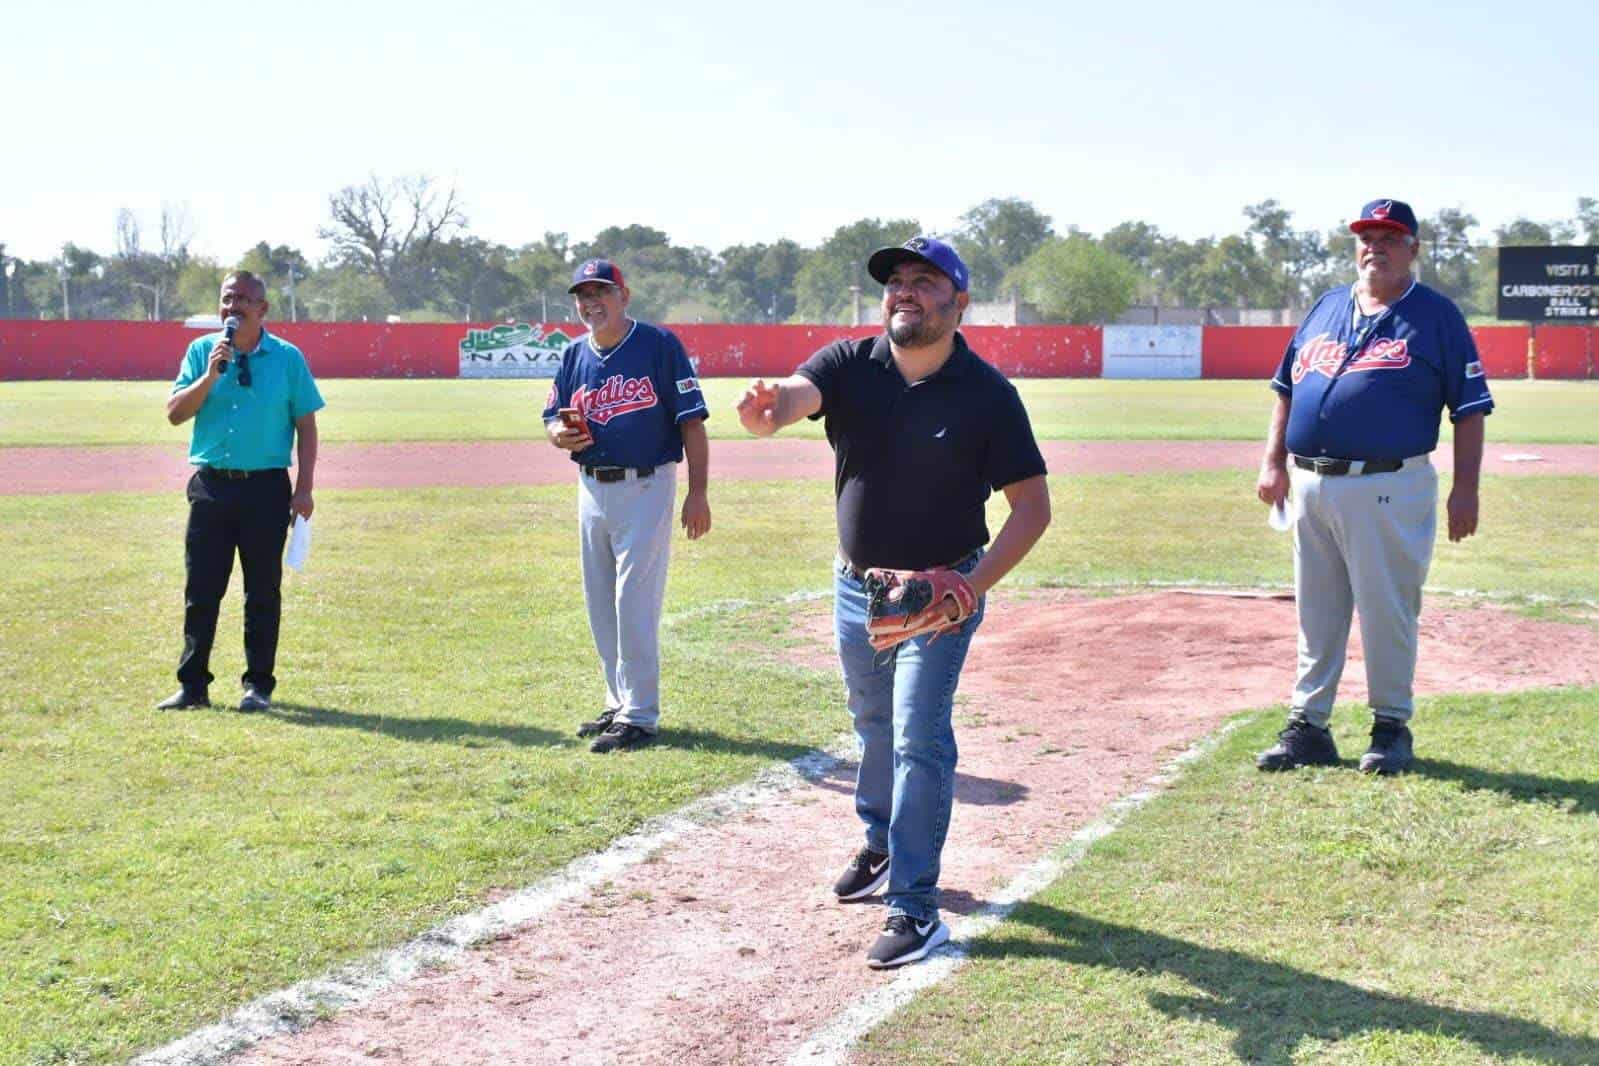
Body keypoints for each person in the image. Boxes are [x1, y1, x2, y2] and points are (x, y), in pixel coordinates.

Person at [735, 236, 1050, 969]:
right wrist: (769, 409)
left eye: (923, 281)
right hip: (857, 587)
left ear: (959, 302)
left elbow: (1031, 509)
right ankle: (878, 842)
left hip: (939, 593)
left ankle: (915, 908)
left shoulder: (987, 396)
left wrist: (967, 590)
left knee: (918, 736)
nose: (903, 291)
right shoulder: (850, 364)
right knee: (872, 723)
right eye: (894, 281)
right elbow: (792, 396)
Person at [1255, 199, 1493, 775]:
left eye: (1389, 237)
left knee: (1387, 610)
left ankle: (1391, 726)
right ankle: (1308, 727)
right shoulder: (1328, 305)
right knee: (1317, 611)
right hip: (1311, 481)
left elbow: (1469, 409)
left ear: (1412, 248)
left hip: (1390, 482)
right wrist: (1273, 461)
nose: (1375, 247)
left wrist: (1467, 489)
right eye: (1367, 236)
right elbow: (1288, 387)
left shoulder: (1436, 317)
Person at [544, 258, 711, 754]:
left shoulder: (658, 346)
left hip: (646, 486)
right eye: (583, 294)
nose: (591, 302)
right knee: (601, 604)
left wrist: (697, 492)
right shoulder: (575, 353)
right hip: (591, 486)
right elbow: (553, 417)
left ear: (624, 295)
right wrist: (559, 434)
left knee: (632, 601)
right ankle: (619, 702)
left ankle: (641, 713)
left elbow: (692, 423)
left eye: (601, 291)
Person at [158, 270, 324, 712]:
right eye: (227, 299)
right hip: (212, 487)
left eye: (243, 300)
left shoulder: (288, 359)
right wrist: (211, 376)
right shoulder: (201, 352)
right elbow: (175, 414)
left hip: (266, 490)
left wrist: (303, 490)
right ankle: (193, 687)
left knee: (262, 592)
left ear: (263, 309)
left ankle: (258, 686)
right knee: (202, 591)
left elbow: (306, 425)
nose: (233, 308)